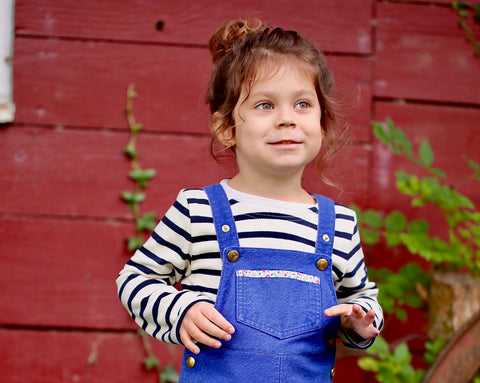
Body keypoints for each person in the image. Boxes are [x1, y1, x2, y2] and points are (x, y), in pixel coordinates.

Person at [116, 18, 383, 382]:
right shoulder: (199, 210)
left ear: (322, 124)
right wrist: (181, 310)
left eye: (303, 104)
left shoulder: (338, 224)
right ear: (226, 128)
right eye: (264, 105)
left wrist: (360, 319)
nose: (287, 119)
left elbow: (363, 297)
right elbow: (134, 280)